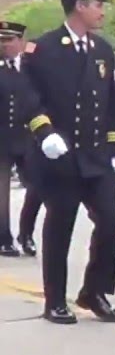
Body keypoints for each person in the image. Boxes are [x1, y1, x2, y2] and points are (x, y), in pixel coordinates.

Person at [24, 0, 115, 325]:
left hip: (95, 155)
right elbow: (28, 98)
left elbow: (111, 102)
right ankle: (55, 300)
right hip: (60, 156)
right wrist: (45, 131)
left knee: (111, 221)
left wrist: (113, 142)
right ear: (79, 6)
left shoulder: (102, 50)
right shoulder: (44, 48)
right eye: (98, 4)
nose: (102, 11)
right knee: (60, 226)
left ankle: (94, 290)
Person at [0, 21, 36, 257]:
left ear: (21, 42)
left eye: (9, 40)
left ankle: (27, 233)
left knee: (38, 187)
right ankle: (4, 238)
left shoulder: (33, 67)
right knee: (2, 191)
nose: (4, 45)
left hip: (29, 137)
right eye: (1, 41)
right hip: (2, 137)